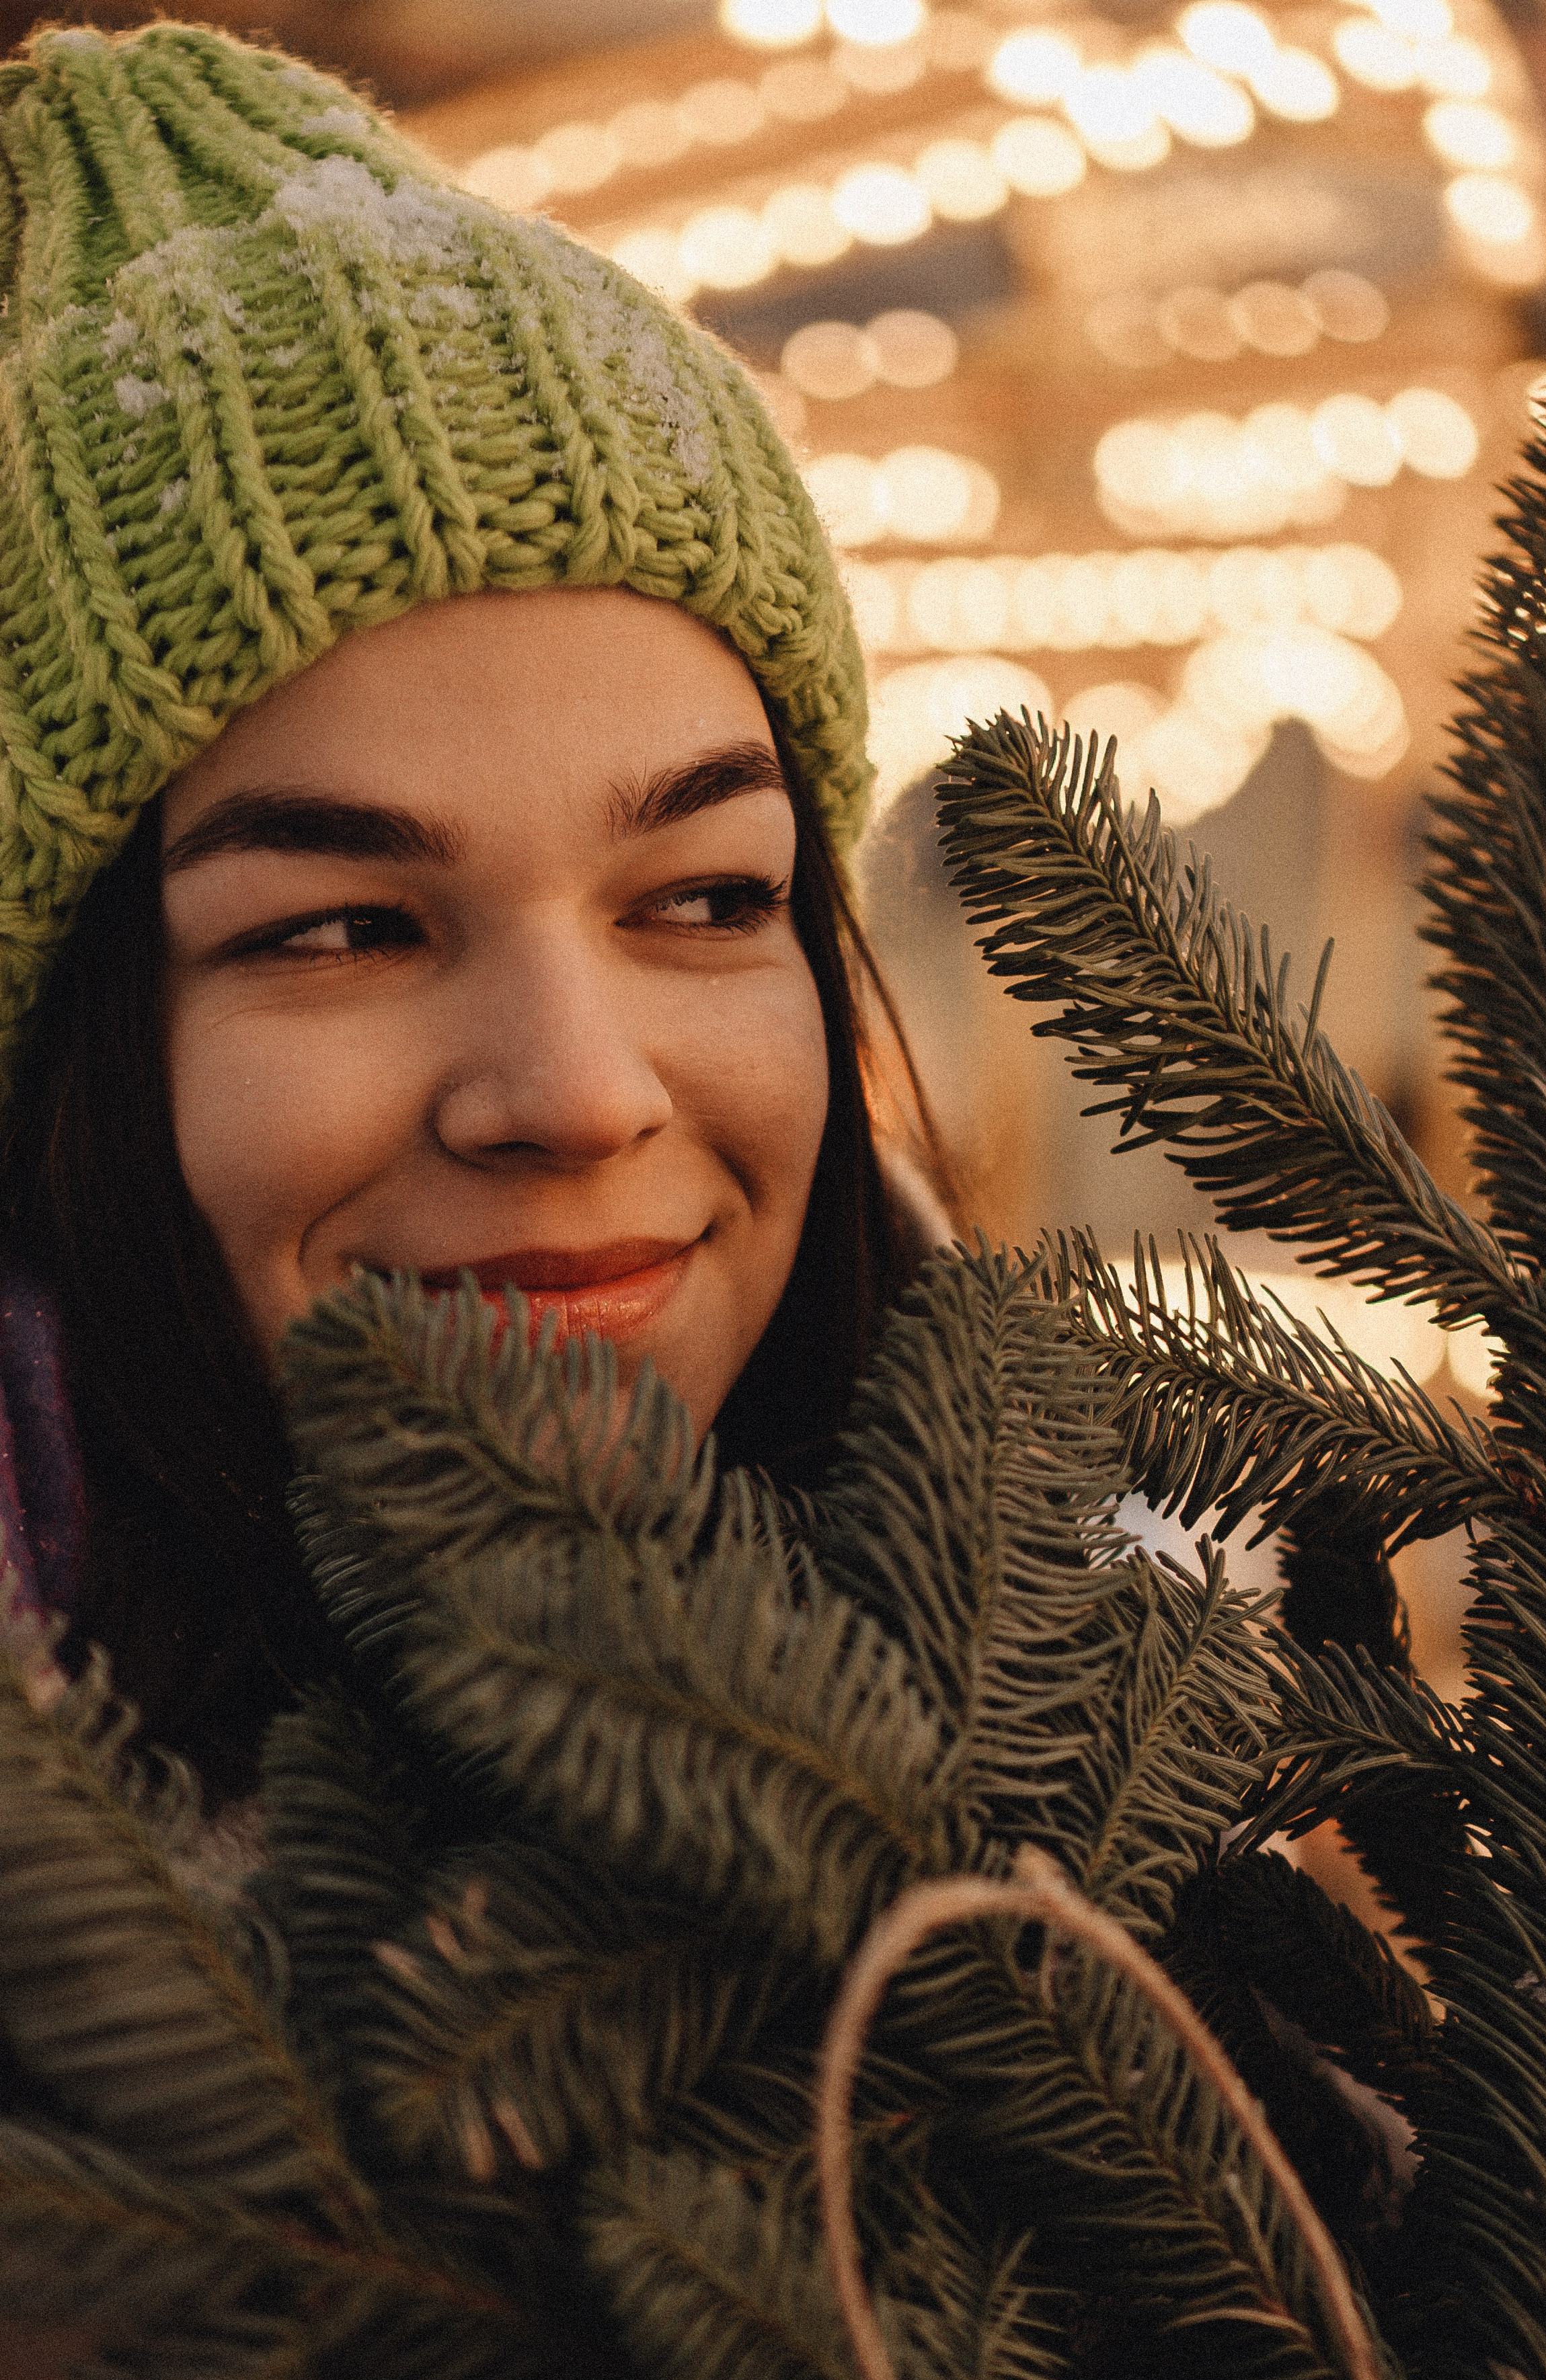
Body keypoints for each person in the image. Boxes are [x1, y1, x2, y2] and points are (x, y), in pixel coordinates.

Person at [0, 21, 943, 1814]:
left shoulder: (1137, 1773)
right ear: (58, 1056)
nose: (582, 1096)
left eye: (705, 896)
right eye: (346, 929)